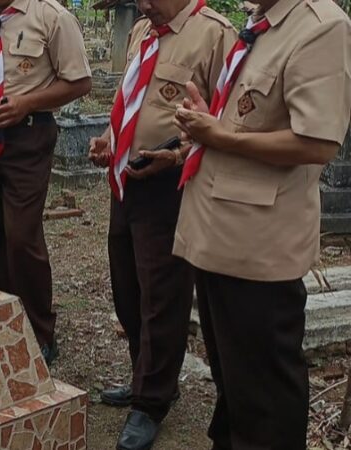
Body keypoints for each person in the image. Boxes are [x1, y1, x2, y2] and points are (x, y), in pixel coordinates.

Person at [173, 0, 351, 446]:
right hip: (218, 231)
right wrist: (208, 126)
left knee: (265, 396)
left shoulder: (320, 26)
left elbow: (317, 141)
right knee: (234, 380)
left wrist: (221, 136)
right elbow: (251, 118)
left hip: (258, 246)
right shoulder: (263, 24)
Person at [88, 0, 235, 447]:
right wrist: (109, 138)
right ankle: (145, 377)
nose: (142, 4)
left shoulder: (215, 35)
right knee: (127, 290)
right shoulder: (142, 31)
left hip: (172, 184)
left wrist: (176, 155)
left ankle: (152, 401)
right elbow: (131, 100)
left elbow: (228, 123)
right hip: (127, 181)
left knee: (162, 296)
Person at [0, 0, 91, 364]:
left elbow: (80, 81)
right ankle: (2, 325)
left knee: (22, 236)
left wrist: (27, 103)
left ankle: (39, 332)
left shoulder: (51, 17)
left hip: (27, 137)